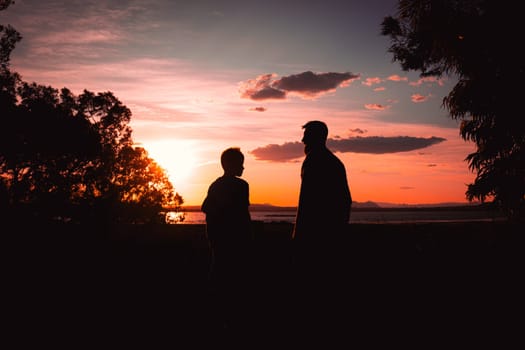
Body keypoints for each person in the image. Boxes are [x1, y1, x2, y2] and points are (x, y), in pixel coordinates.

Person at [290, 120, 352, 332]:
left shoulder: (313, 162)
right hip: (330, 237)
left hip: (314, 238)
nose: (302, 140)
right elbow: (345, 202)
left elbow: (306, 203)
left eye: (306, 135)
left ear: (316, 137)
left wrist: (299, 235)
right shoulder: (335, 163)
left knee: (312, 287)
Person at [201, 147, 253, 329]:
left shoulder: (215, 185)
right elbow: (243, 215)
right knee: (232, 279)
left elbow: (206, 207)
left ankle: (216, 314)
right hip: (233, 240)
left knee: (219, 274)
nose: (243, 168)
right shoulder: (241, 186)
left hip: (219, 239)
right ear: (231, 165)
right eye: (241, 164)